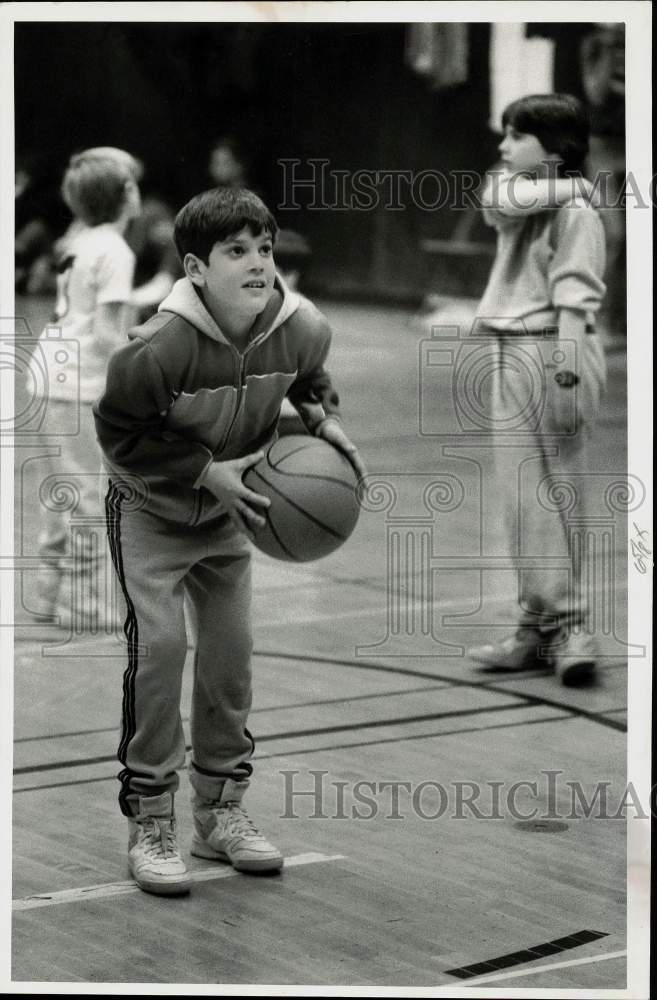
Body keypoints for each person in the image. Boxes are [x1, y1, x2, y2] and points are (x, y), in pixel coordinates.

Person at [93, 186, 366, 896]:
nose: (256, 264)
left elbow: (311, 380)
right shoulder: (156, 348)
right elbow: (118, 433)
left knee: (229, 661)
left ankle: (219, 815)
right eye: (236, 251)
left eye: (265, 249)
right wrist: (201, 469)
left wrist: (321, 416)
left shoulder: (302, 326)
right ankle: (150, 820)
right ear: (193, 267)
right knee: (159, 654)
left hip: (226, 519)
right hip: (151, 510)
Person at [466, 93, 607, 685]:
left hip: (556, 348)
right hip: (512, 348)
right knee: (522, 499)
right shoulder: (527, 195)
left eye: (516, 136)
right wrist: (574, 184)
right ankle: (535, 626)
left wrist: (566, 377)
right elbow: (496, 196)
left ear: (554, 148)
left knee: (556, 497)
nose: (503, 146)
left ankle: (574, 629)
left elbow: (578, 301)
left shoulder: (578, 216)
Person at [30, 147, 141, 627]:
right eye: (132, 184)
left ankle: (49, 593)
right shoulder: (116, 251)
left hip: (47, 377)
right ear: (124, 197)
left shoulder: (78, 239)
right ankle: (83, 604)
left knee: (61, 493)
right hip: (78, 384)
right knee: (86, 497)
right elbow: (106, 335)